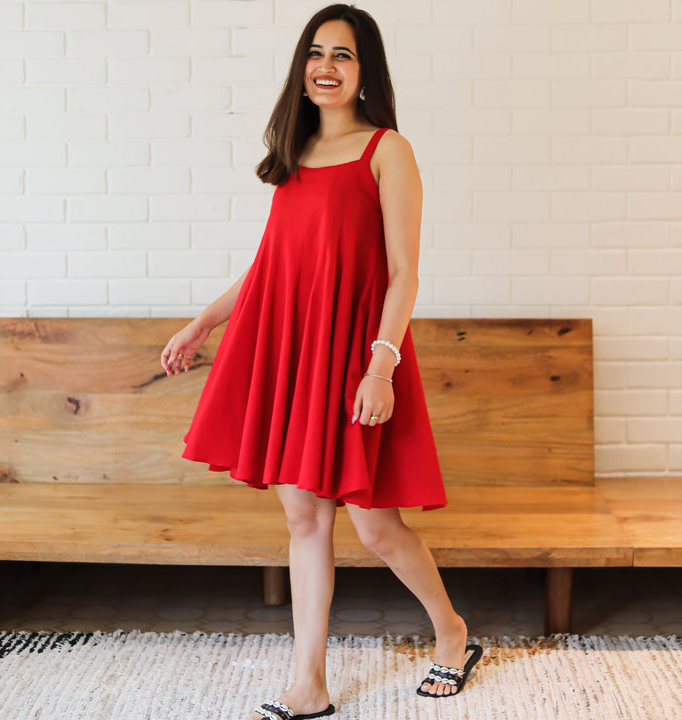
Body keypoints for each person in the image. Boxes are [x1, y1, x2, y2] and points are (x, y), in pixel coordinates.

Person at [160, 4, 482, 719]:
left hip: (358, 357)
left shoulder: (386, 151)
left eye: (343, 55)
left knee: (375, 526)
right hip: (295, 355)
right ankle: (309, 683)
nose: (326, 67)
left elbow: (404, 274)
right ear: (301, 69)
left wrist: (381, 364)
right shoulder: (294, 157)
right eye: (316, 53)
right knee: (304, 522)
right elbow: (273, 268)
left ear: (366, 72)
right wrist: (203, 324)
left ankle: (452, 631)